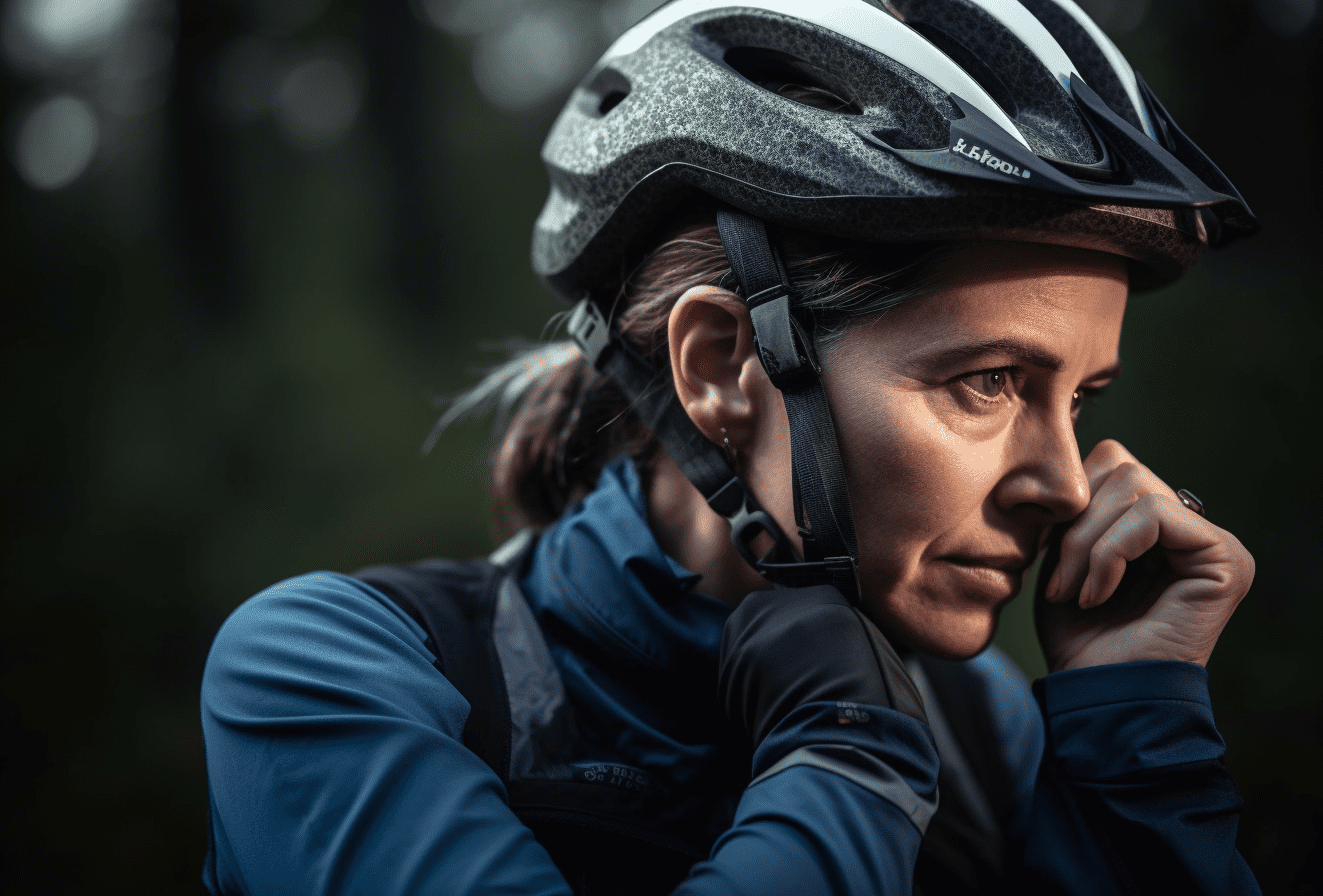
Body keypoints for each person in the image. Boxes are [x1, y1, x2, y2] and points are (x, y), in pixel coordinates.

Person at [200, 1, 1264, 893]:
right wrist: (851, 753)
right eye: (988, 382)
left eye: (1079, 400)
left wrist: (1134, 739)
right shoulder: (329, 674)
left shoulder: (986, 728)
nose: (1066, 486)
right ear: (718, 366)